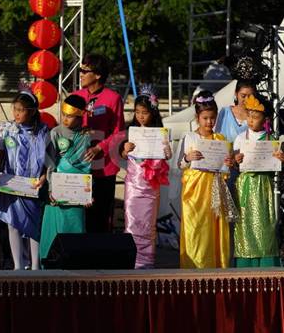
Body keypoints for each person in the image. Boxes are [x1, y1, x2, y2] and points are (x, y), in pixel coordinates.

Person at [177, 91, 236, 268]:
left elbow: (226, 168)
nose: (209, 122)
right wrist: (188, 158)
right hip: (195, 192)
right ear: (197, 117)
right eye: (205, 118)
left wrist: (228, 162)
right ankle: (194, 267)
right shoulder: (190, 137)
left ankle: (216, 265)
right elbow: (180, 164)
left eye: (212, 118)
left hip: (215, 189)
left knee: (215, 228)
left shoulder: (220, 139)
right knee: (196, 228)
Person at [0, 92, 48, 270]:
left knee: (34, 225)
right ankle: (18, 265)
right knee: (13, 223)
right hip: (12, 181)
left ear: (31, 112)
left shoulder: (43, 131)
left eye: (21, 110)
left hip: (32, 184)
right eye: (14, 109)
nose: (16, 113)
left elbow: (48, 158)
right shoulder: (7, 129)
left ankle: (35, 265)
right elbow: (0, 154)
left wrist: (44, 176)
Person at [120, 86, 171, 269]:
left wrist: (166, 150)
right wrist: (125, 150)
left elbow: (167, 156)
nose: (141, 116)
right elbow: (123, 155)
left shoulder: (160, 134)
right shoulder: (131, 131)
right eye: (138, 112)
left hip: (150, 186)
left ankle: (147, 261)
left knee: (149, 224)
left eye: (145, 112)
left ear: (153, 112)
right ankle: (131, 260)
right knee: (132, 221)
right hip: (134, 185)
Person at [73, 53, 125, 233]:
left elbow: (119, 133)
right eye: (80, 70)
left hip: (104, 166)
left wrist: (99, 147)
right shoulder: (75, 96)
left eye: (84, 71)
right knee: (78, 215)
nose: (80, 74)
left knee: (100, 217)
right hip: (78, 165)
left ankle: (100, 258)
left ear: (97, 75)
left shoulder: (113, 98)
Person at [39, 94, 91, 263]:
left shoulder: (85, 136)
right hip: (58, 190)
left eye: (70, 116)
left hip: (78, 191)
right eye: (64, 114)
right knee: (56, 228)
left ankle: (75, 264)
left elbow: (87, 167)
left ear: (80, 116)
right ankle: (51, 263)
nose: (65, 119)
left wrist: (88, 193)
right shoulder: (55, 132)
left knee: (74, 228)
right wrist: (51, 189)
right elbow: (50, 163)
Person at [233, 93, 283, 267]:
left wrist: (280, 160)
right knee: (245, 227)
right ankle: (245, 265)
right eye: (249, 116)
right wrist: (235, 160)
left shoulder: (271, 140)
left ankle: (267, 263)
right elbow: (233, 163)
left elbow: (276, 166)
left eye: (256, 116)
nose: (251, 120)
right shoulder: (241, 138)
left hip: (264, 187)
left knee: (265, 227)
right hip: (245, 186)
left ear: (266, 119)